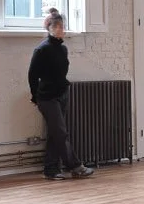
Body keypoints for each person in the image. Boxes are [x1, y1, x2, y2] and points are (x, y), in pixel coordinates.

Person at [28, 9, 94, 180]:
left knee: (55, 133)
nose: (60, 29)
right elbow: (32, 76)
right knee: (61, 133)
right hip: (47, 98)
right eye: (56, 27)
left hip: (61, 95)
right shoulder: (41, 50)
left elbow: (61, 73)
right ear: (49, 28)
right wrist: (35, 97)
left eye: (62, 26)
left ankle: (51, 169)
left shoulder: (62, 49)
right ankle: (75, 166)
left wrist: (64, 91)